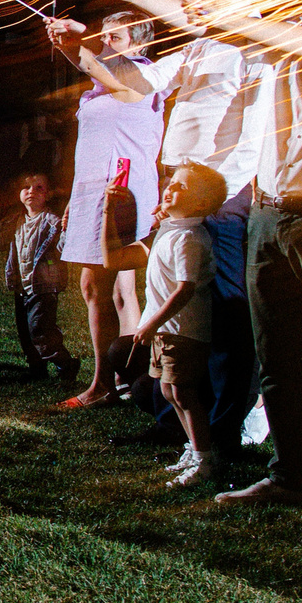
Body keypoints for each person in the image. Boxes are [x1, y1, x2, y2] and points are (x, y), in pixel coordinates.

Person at [97, 0, 302, 509]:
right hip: (271, 210)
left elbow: (223, 22)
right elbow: (210, 26)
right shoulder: (278, 42)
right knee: (276, 356)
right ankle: (288, 474)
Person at [44, 11, 168, 409]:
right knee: (116, 286)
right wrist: (66, 44)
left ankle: (104, 385)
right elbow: (92, 64)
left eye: (117, 36)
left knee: (97, 285)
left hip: (120, 192)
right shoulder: (100, 87)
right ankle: (123, 374)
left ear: (139, 43)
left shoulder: (139, 78)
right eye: (106, 35)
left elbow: (96, 61)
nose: (108, 41)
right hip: (94, 188)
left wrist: (74, 43)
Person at [109, 164, 230, 489]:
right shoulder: (173, 229)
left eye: (181, 188)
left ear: (201, 205)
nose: (170, 189)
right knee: (167, 389)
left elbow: (185, 288)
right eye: (171, 183)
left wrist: (153, 323)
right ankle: (194, 449)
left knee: (182, 391)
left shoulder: (190, 238)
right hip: (168, 330)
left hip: (183, 330)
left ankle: (204, 458)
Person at [3, 171, 76, 381]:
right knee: (25, 330)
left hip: (43, 286)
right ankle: (36, 368)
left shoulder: (53, 222)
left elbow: (63, 248)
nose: (31, 192)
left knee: (40, 329)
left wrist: (67, 228)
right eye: (26, 187)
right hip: (22, 286)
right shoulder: (16, 221)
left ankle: (65, 363)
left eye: (39, 188)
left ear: (49, 194)